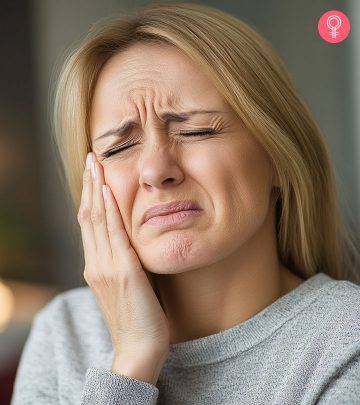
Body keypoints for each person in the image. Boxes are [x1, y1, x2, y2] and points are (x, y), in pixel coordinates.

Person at [11, 2, 360, 404]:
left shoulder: (345, 344)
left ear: (280, 155)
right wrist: (132, 359)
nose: (156, 170)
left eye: (195, 131)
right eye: (119, 147)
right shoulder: (65, 333)